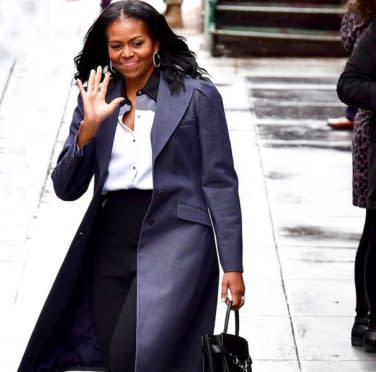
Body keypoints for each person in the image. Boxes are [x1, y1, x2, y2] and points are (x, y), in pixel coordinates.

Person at [18, 1, 245, 371]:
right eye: (117, 46)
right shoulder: (95, 98)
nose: (127, 54)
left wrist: (232, 265)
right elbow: (66, 187)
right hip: (110, 239)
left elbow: (220, 183)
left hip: (179, 239)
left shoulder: (198, 95)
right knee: (112, 356)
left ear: (156, 42)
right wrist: (87, 129)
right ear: (106, 50)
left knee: (132, 355)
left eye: (136, 43)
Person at [337, 1, 376, 352]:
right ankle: (365, 315)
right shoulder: (364, 13)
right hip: (373, 132)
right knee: (374, 225)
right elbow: (350, 80)